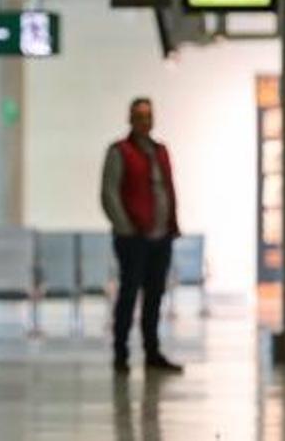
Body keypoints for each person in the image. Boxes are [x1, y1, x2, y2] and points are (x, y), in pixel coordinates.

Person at [100, 98, 184, 375]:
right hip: (133, 237)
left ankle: (152, 351)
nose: (144, 122)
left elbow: (167, 190)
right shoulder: (119, 151)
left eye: (148, 116)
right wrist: (125, 226)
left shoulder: (160, 151)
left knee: (155, 295)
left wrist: (171, 224)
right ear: (130, 119)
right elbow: (109, 193)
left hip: (161, 236)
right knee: (129, 293)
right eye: (139, 116)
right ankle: (120, 353)